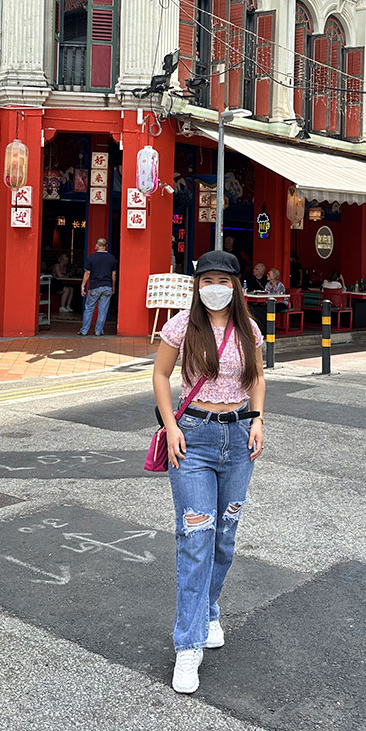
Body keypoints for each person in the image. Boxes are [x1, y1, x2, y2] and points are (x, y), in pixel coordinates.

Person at [152, 250, 265, 694]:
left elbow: (257, 377)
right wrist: (171, 424)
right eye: (206, 279)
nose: (213, 287)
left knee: (224, 537)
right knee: (196, 539)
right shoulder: (182, 325)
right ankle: (188, 645)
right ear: (196, 284)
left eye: (222, 279)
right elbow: (161, 375)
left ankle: (210, 609)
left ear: (236, 285)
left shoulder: (248, 329)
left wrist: (258, 418)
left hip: (237, 439)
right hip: (193, 438)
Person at [79, 237, 117, 336]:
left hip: (94, 286)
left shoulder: (92, 257)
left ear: (98, 245)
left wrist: (83, 285)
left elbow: (87, 273)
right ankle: (98, 331)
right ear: (105, 246)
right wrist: (113, 287)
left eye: (96, 244)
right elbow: (114, 275)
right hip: (107, 286)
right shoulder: (111, 258)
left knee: (89, 308)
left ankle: (84, 330)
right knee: (103, 310)